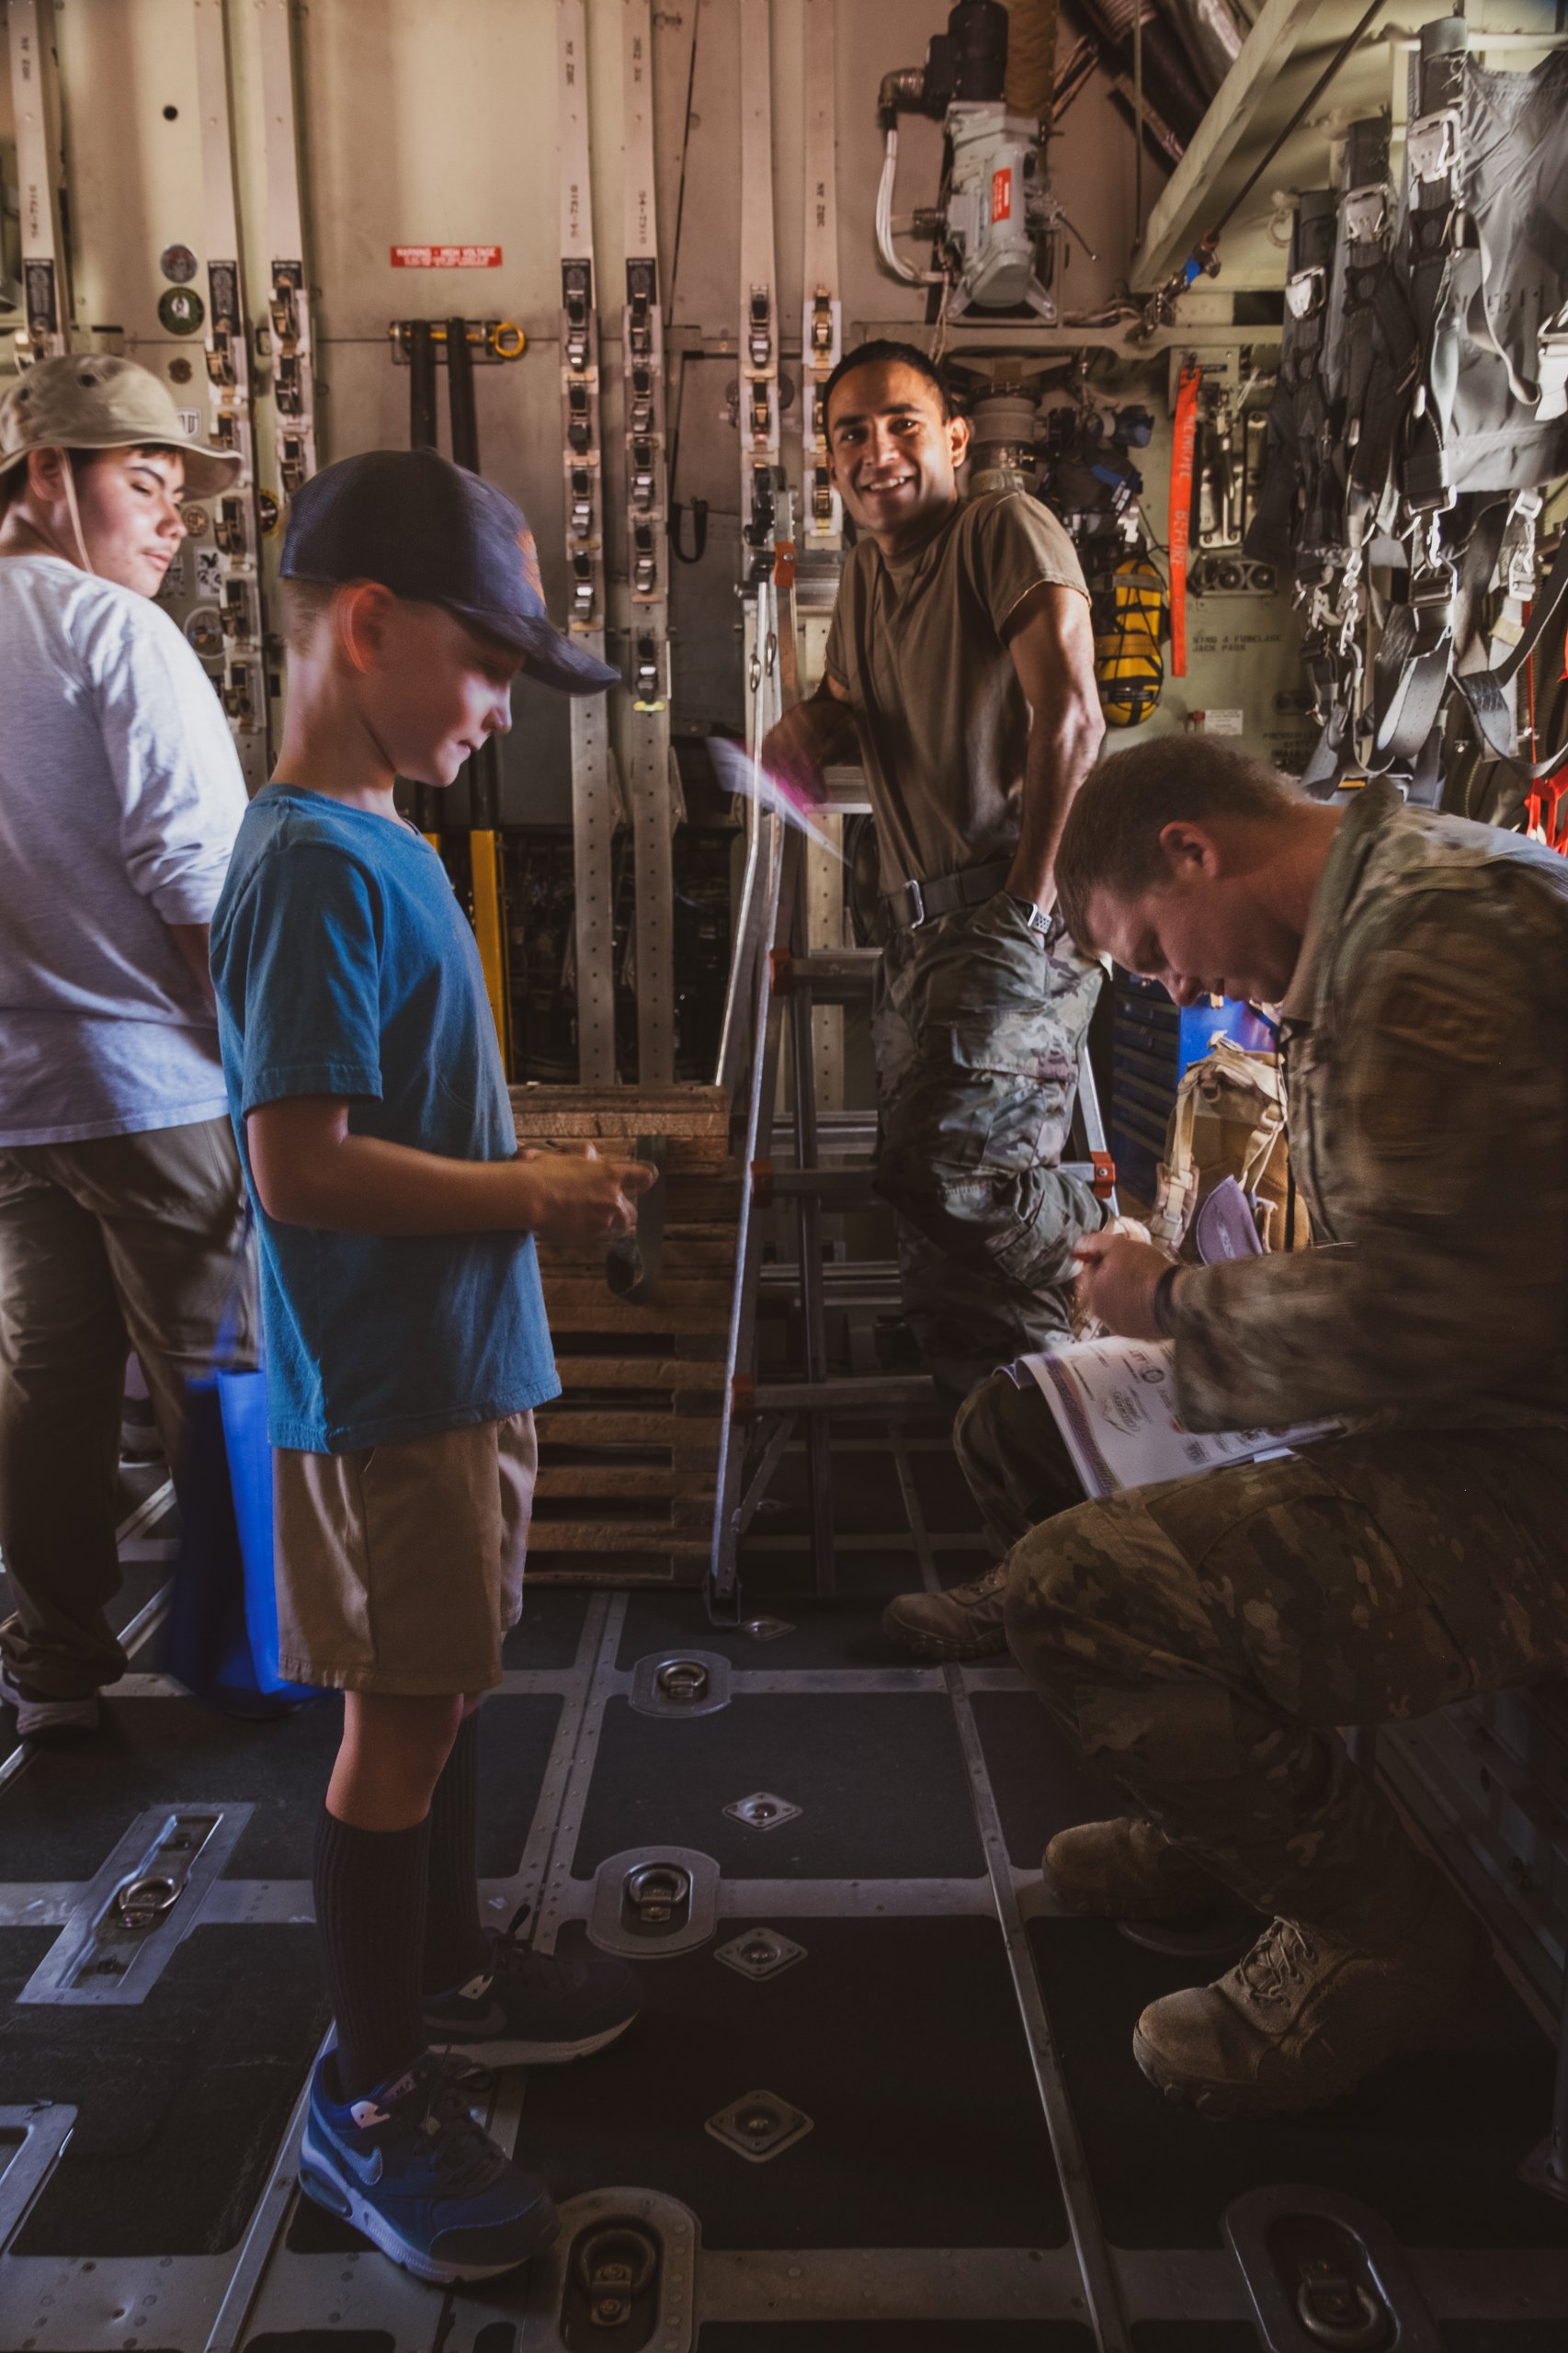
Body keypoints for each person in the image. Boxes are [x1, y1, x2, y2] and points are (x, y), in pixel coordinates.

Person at [952, 735, 1568, 2120]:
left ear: (1192, 848)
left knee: (1082, 1592)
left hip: (1528, 1464)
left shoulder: (1431, 947)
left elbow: (1438, 1314)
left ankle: (1381, 1941)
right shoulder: (1381, 919)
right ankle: (1225, 1815)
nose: (1171, 989)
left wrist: (1173, 1306)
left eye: (1154, 949)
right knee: (1020, 1434)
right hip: (1460, 1415)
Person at [210, 449, 656, 2283]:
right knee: (392, 1723)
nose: (496, 710)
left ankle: (450, 1968)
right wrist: (531, 1187)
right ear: (369, 626)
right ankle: (369, 2093)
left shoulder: (381, 839)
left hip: (459, 1363)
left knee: (446, 1685)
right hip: (386, 1381)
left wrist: (521, 1183)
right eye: (485, 667)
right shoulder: (309, 862)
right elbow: (294, 1163)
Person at [759, 338, 1107, 1662]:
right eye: (848, 435)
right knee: (945, 1272)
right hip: (921, 926)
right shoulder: (869, 575)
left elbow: (1066, 714)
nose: (871, 455)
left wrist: (1029, 896)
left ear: (954, 437)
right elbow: (856, 699)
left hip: (1000, 905)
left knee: (944, 1168)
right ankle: (1046, 1568)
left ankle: (1122, 1289)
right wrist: (812, 723)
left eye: (898, 427)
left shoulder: (998, 527)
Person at [0, 354, 253, 1739]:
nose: (172, 522)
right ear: (49, 475)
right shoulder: (113, 633)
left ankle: (55, 1663)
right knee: (225, 1369)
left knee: (51, 1386)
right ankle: (252, 1651)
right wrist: (265, 1076)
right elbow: (196, 879)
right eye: (143, 485)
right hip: (151, 1084)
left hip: (15, 1104)